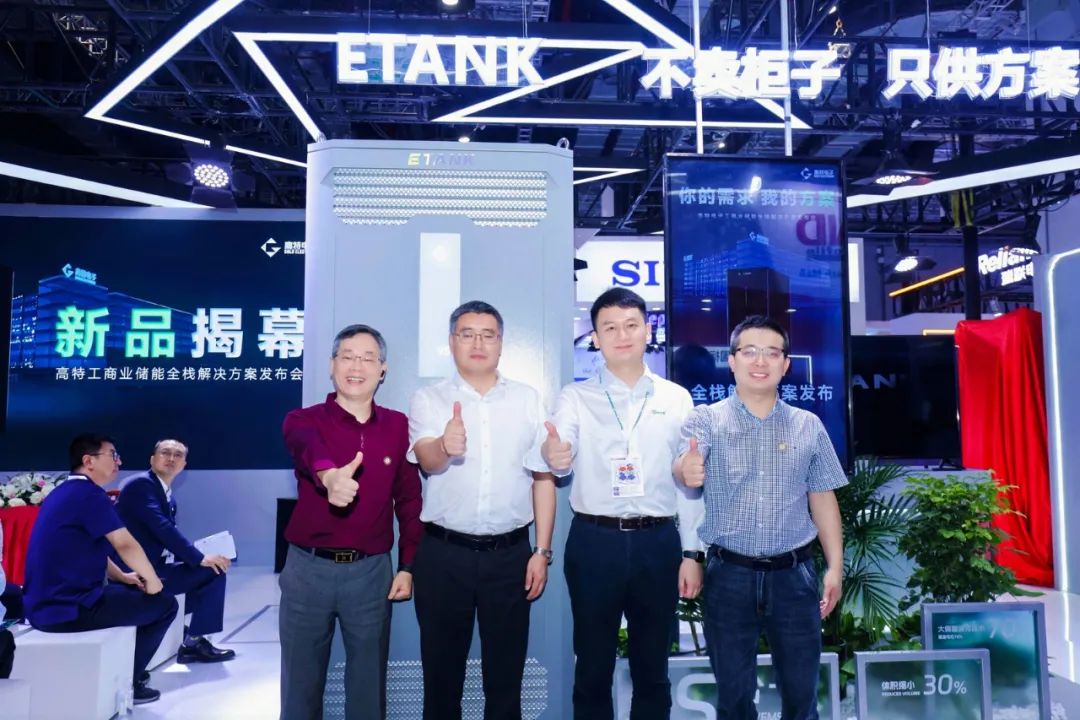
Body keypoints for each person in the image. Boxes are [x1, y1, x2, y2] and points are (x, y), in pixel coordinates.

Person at [530, 287, 704, 720]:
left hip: (657, 542)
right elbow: (557, 447)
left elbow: (687, 478)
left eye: (631, 325)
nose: (622, 335)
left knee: (653, 669)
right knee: (592, 667)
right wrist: (554, 454)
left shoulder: (676, 398)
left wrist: (691, 552)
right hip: (595, 542)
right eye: (610, 328)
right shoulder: (575, 397)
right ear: (595, 337)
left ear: (647, 331)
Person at [674, 315, 847, 720]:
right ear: (732, 361)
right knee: (733, 700)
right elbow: (684, 463)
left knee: (802, 699)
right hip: (729, 576)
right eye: (749, 351)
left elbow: (823, 498)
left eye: (772, 353)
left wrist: (836, 567)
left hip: (795, 577)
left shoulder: (808, 426)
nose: (760, 361)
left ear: (786, 364)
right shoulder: (706, 419)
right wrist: (686, 468)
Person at [408, 301, 556, 720]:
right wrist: (444, 445)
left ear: (501, 343)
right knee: (441, 682)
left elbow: (543, 477)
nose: (478, 343)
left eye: (488, 334)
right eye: (467, 333)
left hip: (510, 557)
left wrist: (541, 552)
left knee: (506, 682)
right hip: (443, 556)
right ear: (452, 341)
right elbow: (426, 460)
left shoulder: (527, 399)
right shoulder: (429, 398)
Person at [280, 324, 423, 720]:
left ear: (383, 369)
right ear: (331, 365)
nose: (356, 367)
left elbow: (409, 500)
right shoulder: (302, 420)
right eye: (347, 357)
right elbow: (309, 448)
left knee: (368, 689)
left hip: (371, 573)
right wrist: (329, 477)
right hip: (307, 570)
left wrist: (408, 565)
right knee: (299, 688)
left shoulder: (398, 426)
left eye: (367, 358)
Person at [23, 433, 178, 704]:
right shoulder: (89, 495)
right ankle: (131, 681)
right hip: (68, 608)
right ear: (88, 461)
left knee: (134, 594)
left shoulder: (64, 492)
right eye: (112, 455)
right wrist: (153, 580)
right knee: (165, 605)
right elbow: (124, 544)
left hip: (45, 603)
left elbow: (87, 545)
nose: (119, 461)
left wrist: (123, 576)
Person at [116, 438, 234, 664]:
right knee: (211, 571)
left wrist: (200, 558)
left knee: (213, 569)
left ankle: (193, 638)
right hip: (134, 574)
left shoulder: (166, 495)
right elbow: (162, 527)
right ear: (152, 459)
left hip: (156, 568)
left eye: (178, 455)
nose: (171, 458)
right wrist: (199, 558)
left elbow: (165, 536)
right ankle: (193, 642)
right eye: (165, 453)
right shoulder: (141, 485)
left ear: (184, 465)